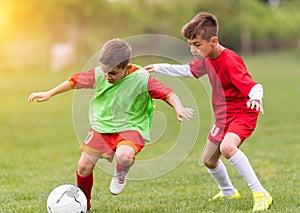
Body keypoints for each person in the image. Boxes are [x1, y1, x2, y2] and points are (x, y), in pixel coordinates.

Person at [28, 38, 194, 211]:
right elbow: (73, 81)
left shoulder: (141, 78)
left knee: (124, 155)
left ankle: (121, 172)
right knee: (83, 166)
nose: (107, 76)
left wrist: (179, 107)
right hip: (103, 126)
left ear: (126, 67)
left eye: (113, 73)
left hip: (131, 126)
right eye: (106, 71)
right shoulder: (100, 73)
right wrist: (50, 93)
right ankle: (85, 206)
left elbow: (167, 93)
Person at [145, 12, 272, 212]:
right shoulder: (207, 58)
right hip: (223, 117)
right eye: (189, 44)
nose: (192, 49)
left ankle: (260, 193)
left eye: (196, 44)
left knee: (228, 148)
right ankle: (229, 191)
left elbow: (254, 85)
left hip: (242, 113)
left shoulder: (229, 60)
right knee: (209, 160)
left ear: (213, 41)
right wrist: (158, 67)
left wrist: (256, 98)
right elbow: (187, 71)